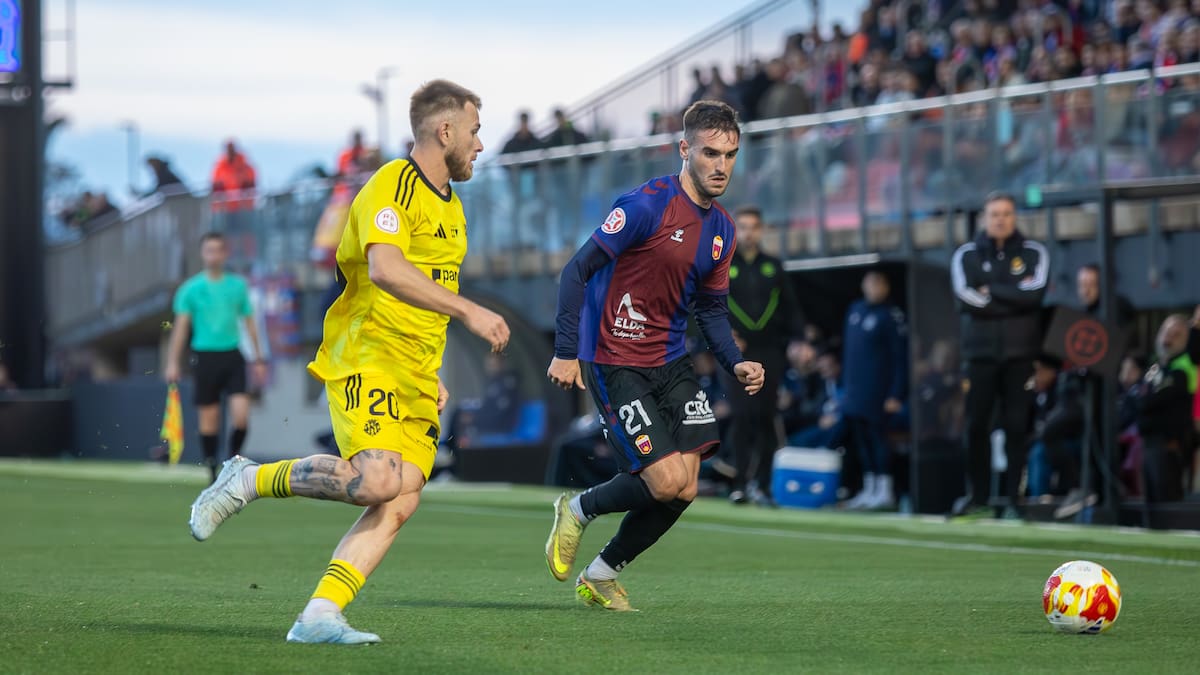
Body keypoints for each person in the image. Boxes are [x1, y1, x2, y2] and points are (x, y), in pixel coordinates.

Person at [186, 80, 511, 644]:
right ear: (445, 130)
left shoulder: (453, 209)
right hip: (367, 354)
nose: (480, 144)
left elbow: (425, 292)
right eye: (476, 130)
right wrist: (469, 312)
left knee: (403, 495)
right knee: (376, 481)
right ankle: (250, 477)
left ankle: (318, 616)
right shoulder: (391, 184)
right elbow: (385, 270)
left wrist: (431, 368)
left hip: (412, 368)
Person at [543, 100, 765, 611]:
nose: (720, 165)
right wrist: (565, 351)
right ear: (684, 149)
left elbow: (710, 310)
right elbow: (575, 272)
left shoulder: (723, 230)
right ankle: (577, 508)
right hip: (613, 357)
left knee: (685, 489)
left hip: (670, 359)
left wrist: (735, 362)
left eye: (730, 155)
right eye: (710, 153)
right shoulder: (645, 206)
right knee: (663, 480)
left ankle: (599, 576)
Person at [949, 191, 1049, 518]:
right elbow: (965, 298)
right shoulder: (966, 255)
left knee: (1017, 427)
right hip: (979, 356)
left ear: (1014, 216)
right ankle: (977, 496)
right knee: (976, 426)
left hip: (1020, 355)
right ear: (985, 218)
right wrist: (1013, 298)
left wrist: (991, 293)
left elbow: (1034, 296)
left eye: (1006, 213)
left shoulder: (1034, 253)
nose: (1001, 219)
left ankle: (1012, 501)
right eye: (995, 214)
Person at [165, 232, 268, 483]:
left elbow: (250, 323)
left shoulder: (237, 286)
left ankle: (232, 460)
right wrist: (172, 362)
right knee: (209, 419)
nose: (213, 255)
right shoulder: (190, 289)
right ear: (202, 253)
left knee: (241, 414)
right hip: (204, 356)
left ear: (225, 254)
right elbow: (180, 328)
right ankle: (212, 472)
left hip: (232, 354)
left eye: (217, 250)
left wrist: (258, 357)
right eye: (208, 250)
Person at [724, 204, 803, 505]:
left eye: (753, 227)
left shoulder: (773, 265)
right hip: (734, 354)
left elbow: (791, 308)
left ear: (761, 230)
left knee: (766, 416)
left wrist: (799, 340)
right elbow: (705, 306)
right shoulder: (722, 265)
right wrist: (724, 336)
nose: (748, 233)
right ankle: (741, 482)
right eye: (742, 226)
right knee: (742, 415)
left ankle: (765, 485)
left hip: (770, 351)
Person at [840, 270, 908, 511]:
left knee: (879, 439)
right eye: (870, 284)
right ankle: (869, 488)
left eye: (879, 284)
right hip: (855, 390)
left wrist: (896, 393)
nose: (874, 289)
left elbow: (900, 358)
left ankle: (885, 490)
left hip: (878, 391)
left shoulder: (891, 315)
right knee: (862, 440)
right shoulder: (855, 310)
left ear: (886, 287)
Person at [1134, 315, 1196, 503]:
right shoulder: (1156, 366)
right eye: (1166, 332)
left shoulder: (1184, 368)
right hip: (1148, 444)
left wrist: (1144, 398)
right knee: (1151, 505)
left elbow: (1149, 401)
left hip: (1168, 447)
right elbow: (1139, 399)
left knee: (1167, 505)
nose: (1169, 337)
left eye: (1176, 334)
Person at [210, 140, 257, 213]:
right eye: (228, 150)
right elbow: (216, 189)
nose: (230, 152)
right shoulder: (219, 168)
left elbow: (251, 189)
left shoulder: (246, 168)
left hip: (243, 210)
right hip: (224, 211)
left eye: (232, 149)